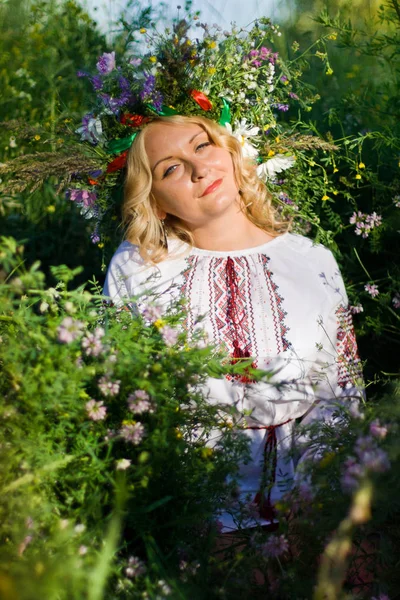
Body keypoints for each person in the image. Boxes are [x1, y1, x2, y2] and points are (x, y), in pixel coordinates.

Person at [103, 114, 363, 532]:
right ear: (154, 202)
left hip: (311, 507)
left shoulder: (312, 260)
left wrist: (320, 498)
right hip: (190, 511)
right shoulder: (136, 269)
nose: (199, 169)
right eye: (171, 168)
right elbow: (120, 399)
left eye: (202, 146)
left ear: (229, 149)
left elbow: (340, 393)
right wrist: (189, 515)